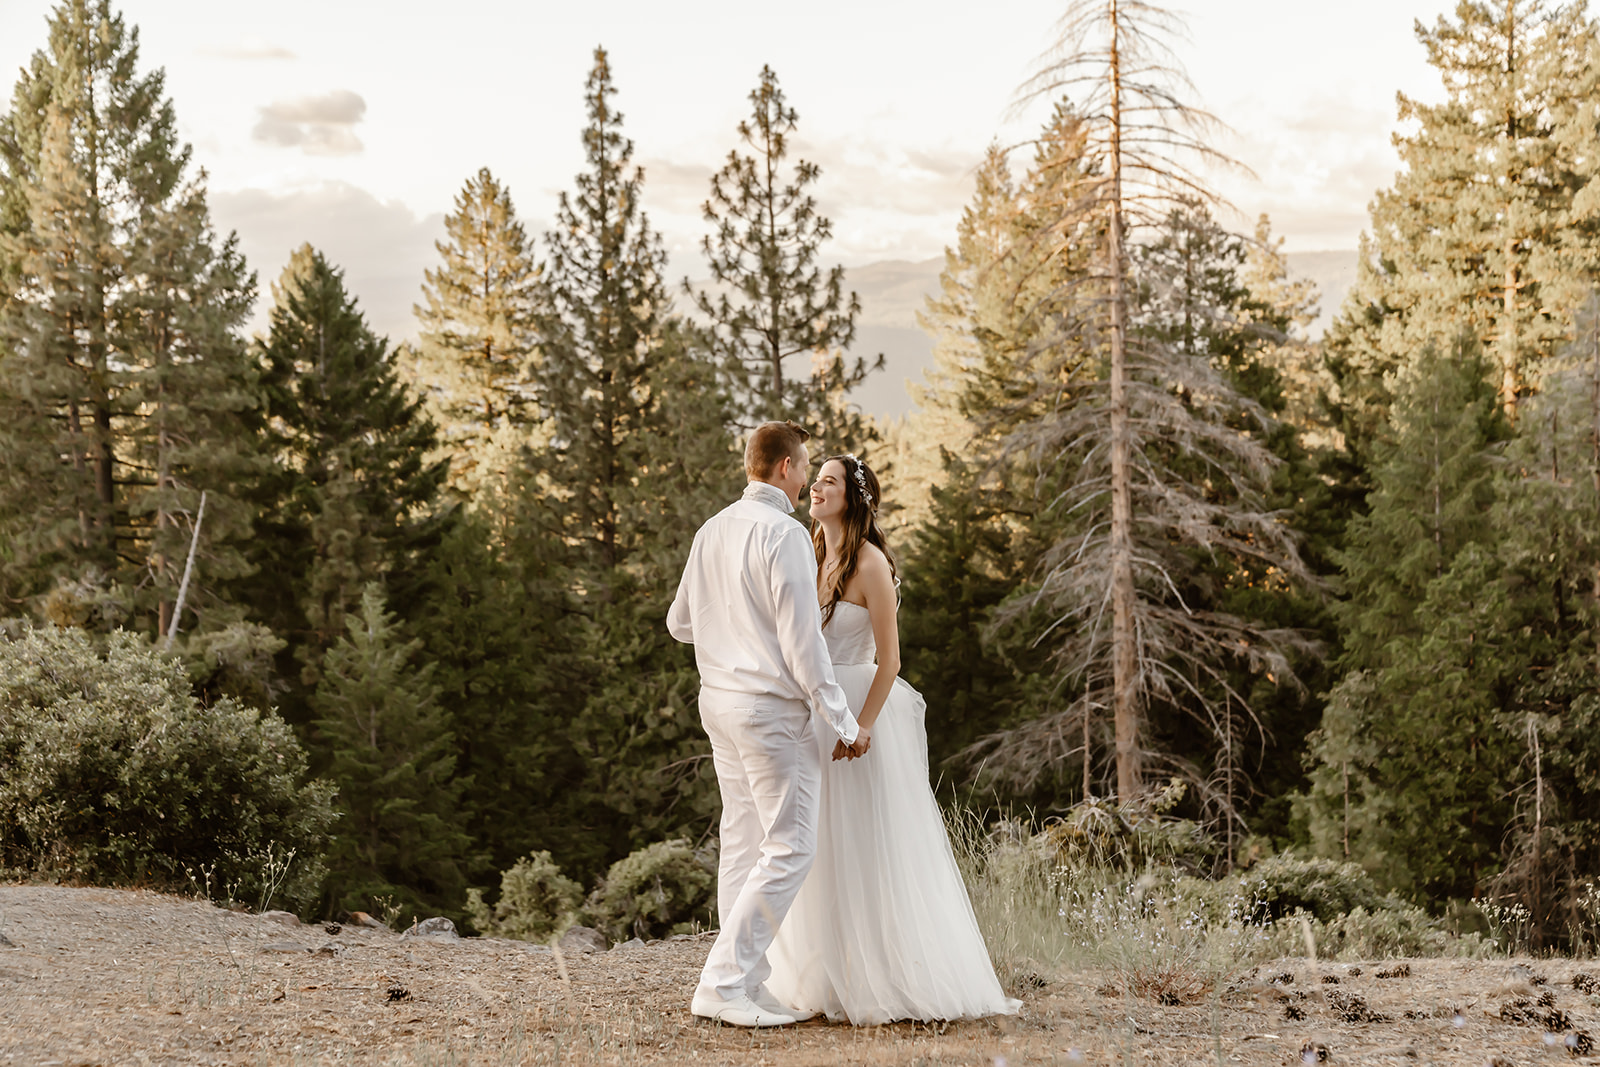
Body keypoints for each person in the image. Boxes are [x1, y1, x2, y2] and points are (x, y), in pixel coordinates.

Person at [765, 453, 1022, 1024]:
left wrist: (862, 725)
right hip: (816, 710)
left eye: (828, 482)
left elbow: (890, 660)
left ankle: (884, 976)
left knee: (864, 846)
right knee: (819, 844)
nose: (817, 489)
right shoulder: (811, 552)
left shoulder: (871, 564)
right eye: (817, 480)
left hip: (858, 708)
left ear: (852, 497)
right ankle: (823, 975)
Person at [667, 422, 869, 1029]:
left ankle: (747, 983)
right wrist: (845, 722)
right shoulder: (783, 534)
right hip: (768, 713)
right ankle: (723, 981)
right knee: (791, 848)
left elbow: (680, 624)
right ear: (784, 468)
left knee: (744, 843)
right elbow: (804, 648)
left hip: (718, 704)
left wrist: (731, 630)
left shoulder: (711, 529)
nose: (807, 478)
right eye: (805, 466)